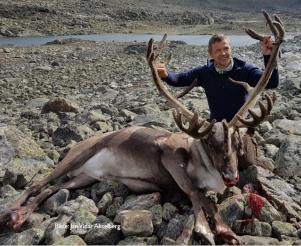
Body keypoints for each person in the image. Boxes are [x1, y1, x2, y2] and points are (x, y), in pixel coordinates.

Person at [156, 34, 279, 169]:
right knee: (209, 164)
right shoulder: (205, 72)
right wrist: (166, 75)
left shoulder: (245, 70)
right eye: (218, 50)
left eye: (226, 48)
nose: (223, 53)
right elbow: (180, 79)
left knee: (248, 165)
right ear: (211, 54)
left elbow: (271, 82)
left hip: (240, 128)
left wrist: (268, 56)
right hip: (215, 129)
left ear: (231, 49)